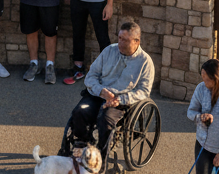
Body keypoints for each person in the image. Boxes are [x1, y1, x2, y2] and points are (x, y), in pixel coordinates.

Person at [66, 21, 154, 166]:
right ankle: (83, 144)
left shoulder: (145, 62)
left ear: (137, 41)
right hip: (99, 94)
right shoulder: (109, 51)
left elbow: (144, 91)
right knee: (79, 112)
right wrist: (100, 90)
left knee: (105, 121)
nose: (120, 42)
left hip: (121, 101)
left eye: (125, 40)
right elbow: (91, 76)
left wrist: (120, 99)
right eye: (119, 38)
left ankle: (100, 157)